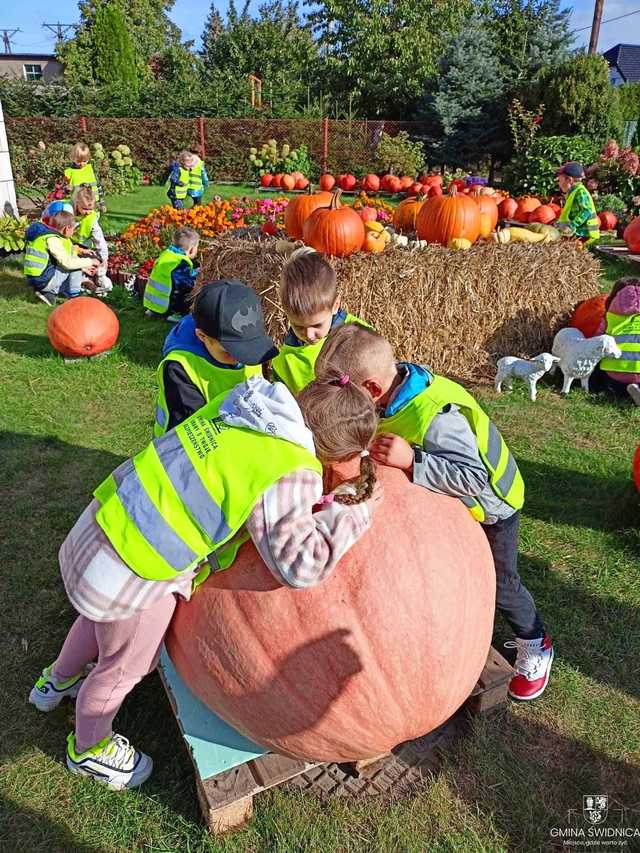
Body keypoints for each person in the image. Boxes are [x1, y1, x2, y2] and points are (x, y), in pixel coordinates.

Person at [28, 373, 382, 790]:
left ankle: (57, 681)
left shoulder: (248, 405)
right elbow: (299, 564)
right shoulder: (290, 466)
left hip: (111, 523)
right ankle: (89, 749)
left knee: (96, 622)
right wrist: (353, 512)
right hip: (141, 567)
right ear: (332, 452)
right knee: (121, 668)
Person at [315, 324, 554, 702]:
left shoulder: (436, 419)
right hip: (462, 512)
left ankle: (535, 642)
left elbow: (472, 478)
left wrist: (413, 460)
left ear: (374, 389)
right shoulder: (394, 391)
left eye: (346, 392)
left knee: (501, 583)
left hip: (494, 506)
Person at [154, 279, 277, 436]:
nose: (240, 358)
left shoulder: (248, 348)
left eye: (248, 349)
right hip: (186, 449)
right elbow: (194, 433)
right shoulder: (180, 368)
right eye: (229, 351)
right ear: (202, 336)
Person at [270, 247, 370, 396]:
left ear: (335, 305)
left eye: (317, 325)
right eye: (298, 326)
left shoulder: (361, 336)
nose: (309, 335)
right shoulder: (285, 363)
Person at [23, 210, 99, 306]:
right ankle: (75, 297)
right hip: (43, 280)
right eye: (73, 229)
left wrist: (83, 267)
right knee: (74, 264)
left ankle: (48, 294)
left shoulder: (42, 235)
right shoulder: (53, 239)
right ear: (67, 229)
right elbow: (67, 263)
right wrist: (90, 261)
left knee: (75, 263)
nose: (73, 232)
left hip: (34, 279)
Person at [591, 277, 640, 406]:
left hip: (615, 375)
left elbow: (597, 342)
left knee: (599, 367)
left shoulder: (610, 317)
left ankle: (597, 387)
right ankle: (635, 390)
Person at [143, 227, 199, 321]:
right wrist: (195, 276)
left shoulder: (167, 254)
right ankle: (177, 314)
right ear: (192, 250)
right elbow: (184, 282)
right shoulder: (181, 262)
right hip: (166, 302)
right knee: (187, 291)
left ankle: (153, 311)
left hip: (153, 300)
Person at [71, 187, 113, 296]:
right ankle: (84, 283)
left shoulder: (91, 219)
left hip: (83, 247)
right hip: (68, 245)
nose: (87, 212)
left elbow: (99, 240)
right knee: (74, 264)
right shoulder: (69, 213)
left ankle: (98, 281)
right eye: (84, 208)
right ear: (76, 203)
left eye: (90, 209)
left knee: (96, 261)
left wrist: (104, 259)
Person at [555, 162, 600, 245]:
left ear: (569, 180)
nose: (558, 183)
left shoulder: (580, 192)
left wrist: (572, 225)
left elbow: (586, 210)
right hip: (577, 232)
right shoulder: (573, 192)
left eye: (559, 180)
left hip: (584, 233)